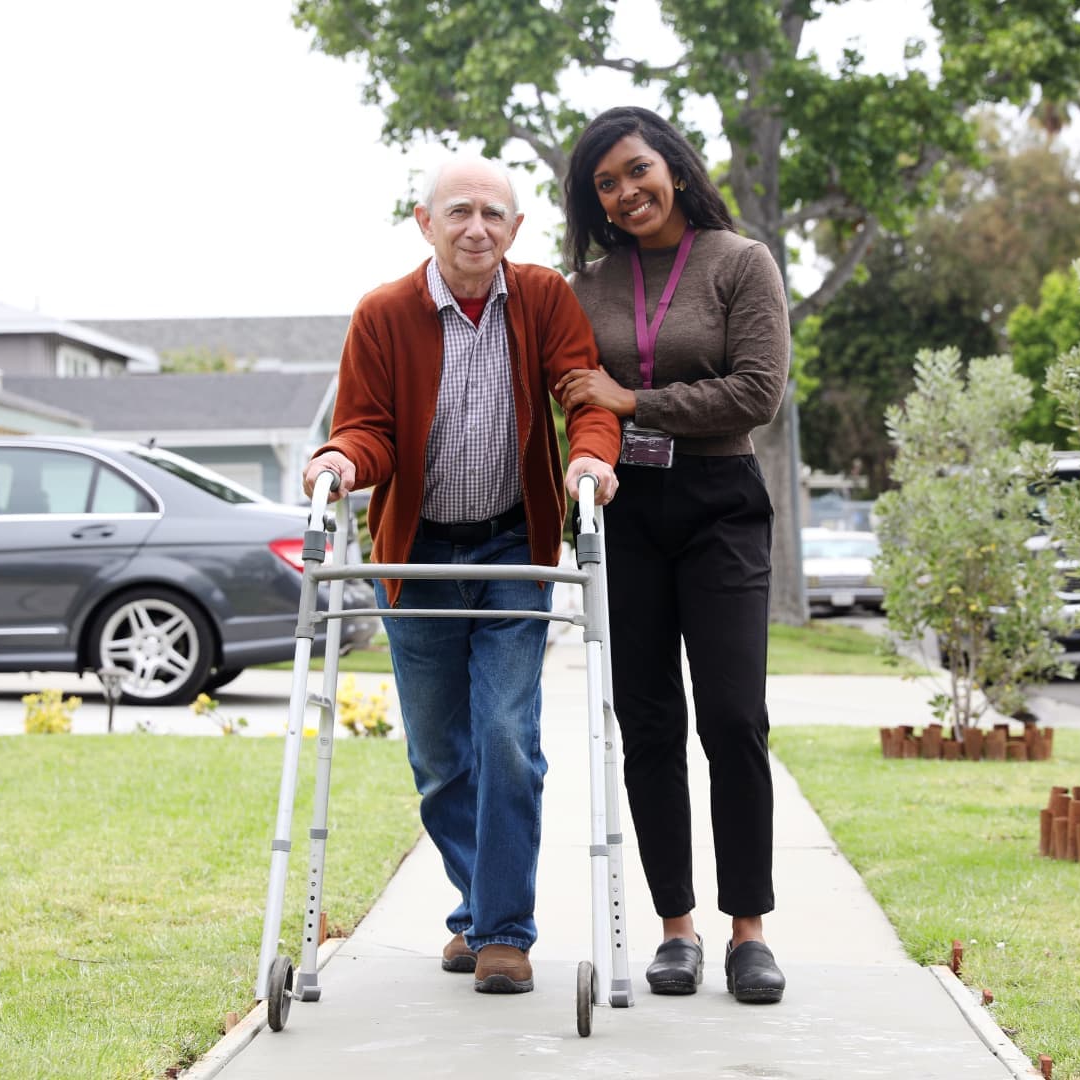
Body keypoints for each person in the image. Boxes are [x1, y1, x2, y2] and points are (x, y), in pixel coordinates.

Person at [303, 155, 620, 996]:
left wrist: (591, 458)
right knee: (442, 757)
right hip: (416, 557)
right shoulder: (383, 314)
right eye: (459, 212)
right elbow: (368, 428)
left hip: (516, 549)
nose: (476, 227)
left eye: (493, 214)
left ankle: (504, 933)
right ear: (425, 222)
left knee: (508, 739)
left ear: (515, 229)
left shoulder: (545, 298)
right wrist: (340, 456)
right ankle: (477, 914)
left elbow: (584, 397)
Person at [556, 106, 790, 1004]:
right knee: (647, 724)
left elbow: (755, 394)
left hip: (720, 502)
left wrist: (630, 398)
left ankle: (749, 932)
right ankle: (677, 930)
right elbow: (578, 398)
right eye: (605, 186)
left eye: (635, 170)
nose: (624, 193)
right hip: (624, 507)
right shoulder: (587, 286)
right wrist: (602, 414)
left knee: (732, 717)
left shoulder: (740, 261)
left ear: (674, 167)